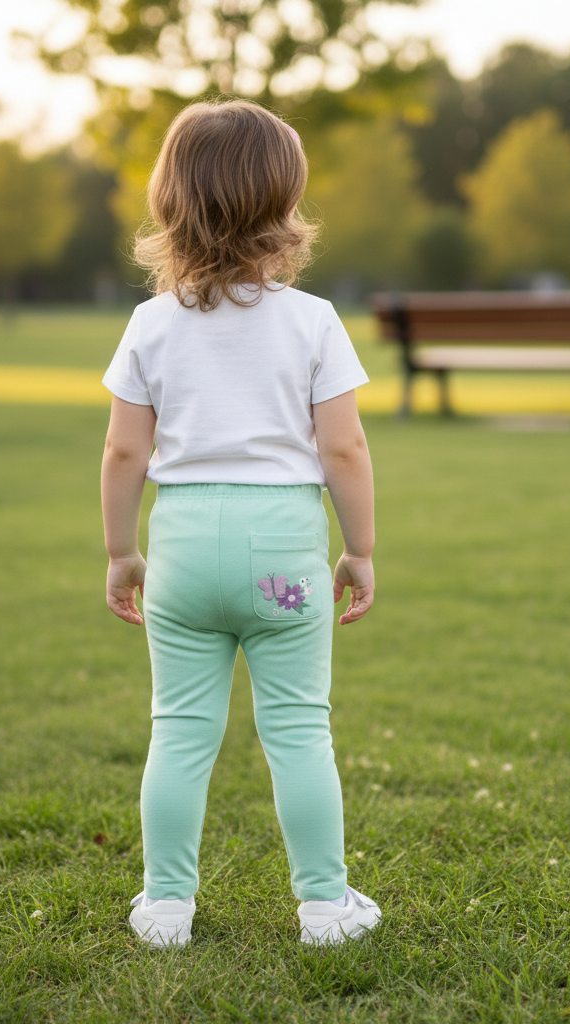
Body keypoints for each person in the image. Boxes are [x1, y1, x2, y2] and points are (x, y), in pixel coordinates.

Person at [101, 100, 379, 949]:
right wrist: (359, 549)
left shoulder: (151, 324)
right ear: (284, 205)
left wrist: (122, 553)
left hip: (183, 548)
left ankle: (165, 908)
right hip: (282, 552)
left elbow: (122, 455)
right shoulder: (313, 320)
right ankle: (326, 909)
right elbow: (344, 451)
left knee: (179, 731)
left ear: (171, 201)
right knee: (298, 727)